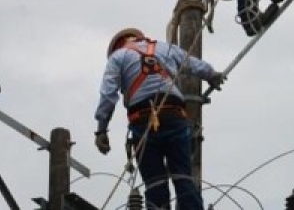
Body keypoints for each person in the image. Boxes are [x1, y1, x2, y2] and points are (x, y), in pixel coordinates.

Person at [94, 28, 225, 210]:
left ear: (118, 45)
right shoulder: (164, 48)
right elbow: (193, 64)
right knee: (183, 178)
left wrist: (101, 129)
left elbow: (108, 95)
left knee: (155, 183)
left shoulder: (118, 57)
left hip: (143, 121)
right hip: (174, 115)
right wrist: (212, 75)